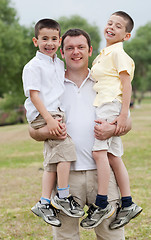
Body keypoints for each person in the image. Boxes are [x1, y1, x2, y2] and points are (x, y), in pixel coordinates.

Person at [29, 28, 132, 240]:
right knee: (66, 237)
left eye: (81, 47)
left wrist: (112, 129)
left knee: (111, 236)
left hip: (102, 175)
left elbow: (127, 121)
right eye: (69, 48)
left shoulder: (105, 81)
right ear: (62, 52)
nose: (75, 52)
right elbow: (32, 129)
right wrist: (49, 130)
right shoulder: (51, 85)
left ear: (90, 50)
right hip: (66, 178)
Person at [81, 11, 142, 230]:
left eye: (118, 26)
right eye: (109, 23)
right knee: (113, 156)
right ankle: (128, 203)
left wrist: (123, 115)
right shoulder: (104, 53)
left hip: (110, 105)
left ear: (126, 36)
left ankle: (102, 203)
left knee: (99, 153)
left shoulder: (118, 54)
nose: (111, 27)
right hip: (107, 104)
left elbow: (126, 85)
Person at [22, 19, 84, 227]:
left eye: (54, 39)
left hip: (55, 112)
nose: (49, 43)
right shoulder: (33, 66)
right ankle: (63, 197)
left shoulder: (57, 63)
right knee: (66, 148)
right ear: (35, 41)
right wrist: (49, 119)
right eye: (44, 39)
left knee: (53, 162)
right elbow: (34, 96)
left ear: (59, 41)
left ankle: (44, 201)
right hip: (44, 113)